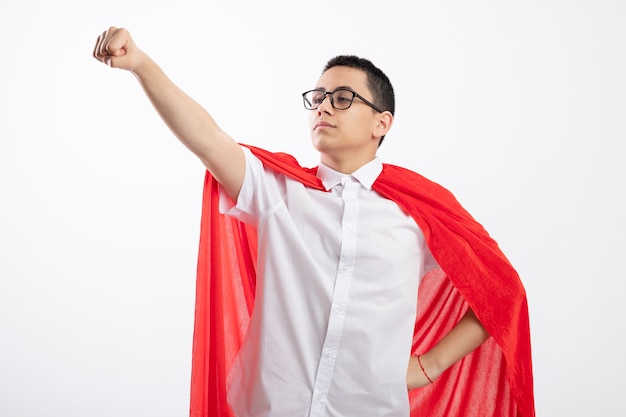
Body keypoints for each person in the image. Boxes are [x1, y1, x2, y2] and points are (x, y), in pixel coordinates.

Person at [93, 27, 535, 417]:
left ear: (382, 123)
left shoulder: (417, 212)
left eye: (342, 99)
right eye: (318, 98)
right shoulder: (277, 192)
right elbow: (207, 139)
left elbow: (502, 292)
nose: (323, 106)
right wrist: (140, 65)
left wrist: (430, 364)